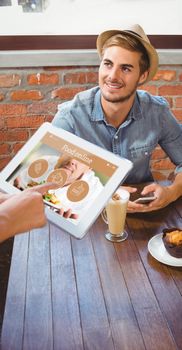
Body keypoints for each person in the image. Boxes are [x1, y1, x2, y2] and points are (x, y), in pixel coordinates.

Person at [52, 24, 182, 213]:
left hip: (143, 213)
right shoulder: (71, 115)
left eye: (126, 69)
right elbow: (45, 182)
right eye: (108, 64)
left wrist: (172, 192)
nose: (113, 76)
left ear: (142, 75)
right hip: (87, 213)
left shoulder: (156, 112)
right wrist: (102, 196)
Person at [13, 155, 104, 220]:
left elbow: (81, 222)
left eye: (81, 158)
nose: (72, 160)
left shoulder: (96, 191)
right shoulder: (45, 161)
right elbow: (20, 183)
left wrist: (64, 223)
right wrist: (14, 191)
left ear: (89, 168)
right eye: (70, 152)